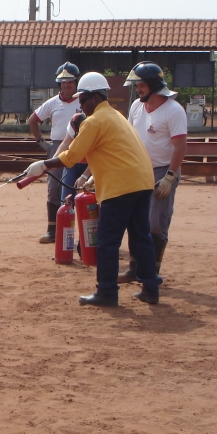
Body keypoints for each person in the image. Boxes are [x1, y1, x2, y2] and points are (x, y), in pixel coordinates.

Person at [21, 72, 162, 307]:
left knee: (107, 241)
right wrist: (93, 177)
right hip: (142, 181)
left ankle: (106, 292)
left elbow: (73, 156)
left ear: (95, 97)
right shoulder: (116, 116)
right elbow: (115, 152)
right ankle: (150, 288)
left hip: (121, 186)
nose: (81, 105)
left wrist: (44, 165)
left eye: (83, 100)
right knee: (140, 237)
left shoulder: (95, 121)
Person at [118, 62, 188, 282]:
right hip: (137, 170)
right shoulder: (137, 107)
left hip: (162, 171)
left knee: (156, 221)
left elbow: (180, 147)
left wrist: (170, 176)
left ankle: (151, 273)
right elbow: (128, 137)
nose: (138, 88)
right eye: (137, 84)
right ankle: (133, 268)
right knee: (135, 220)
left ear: (153, 85)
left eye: (141, 84)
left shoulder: (173, 110)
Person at [27, 62, 82, 243]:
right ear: (59, 84)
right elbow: (33, 120)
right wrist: (41, 142)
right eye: (63, 82)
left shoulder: (83, 101)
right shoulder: (53, 103)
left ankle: (87, 235)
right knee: (54, 188)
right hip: (58, 145)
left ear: (76, 83)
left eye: (70, 82)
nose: (67, 85)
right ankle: (52, 230)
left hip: (83, 146)